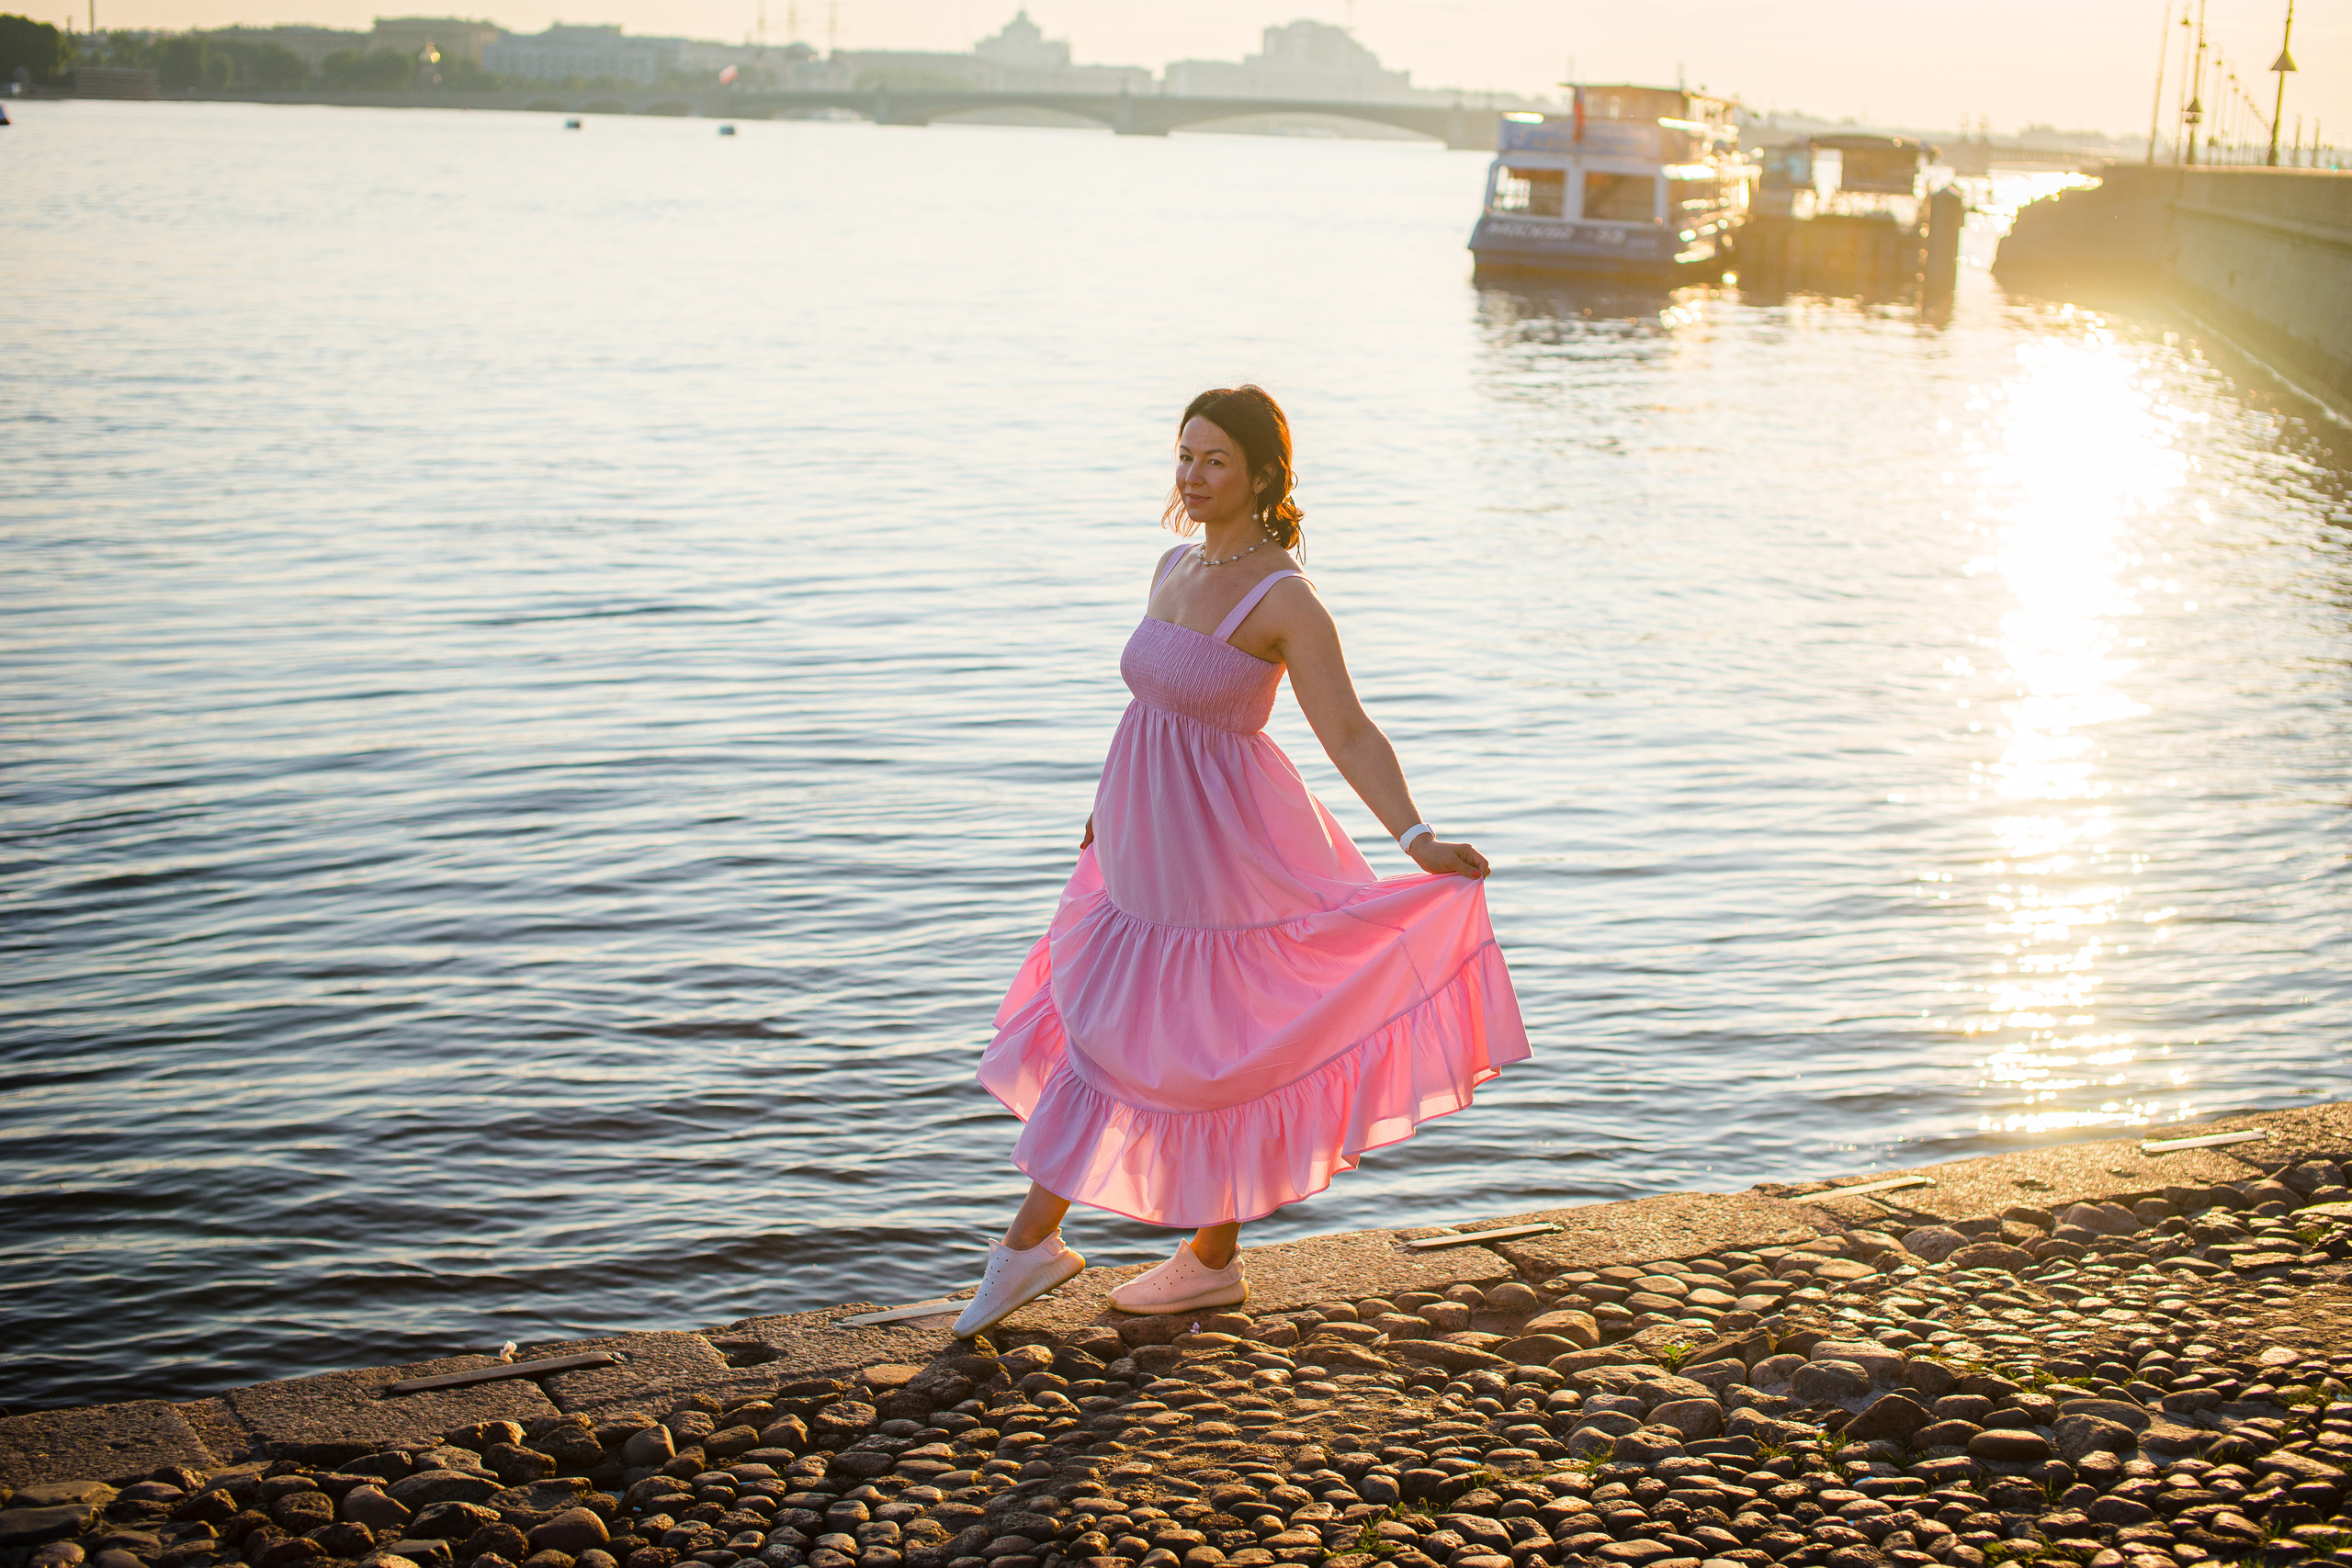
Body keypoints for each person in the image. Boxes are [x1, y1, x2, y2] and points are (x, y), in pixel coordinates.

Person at [955, 385, 1528, 1337]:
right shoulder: (1171, 564)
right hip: (1142, 843)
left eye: (1215, 459)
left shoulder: (1285, 598)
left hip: (1226, 850)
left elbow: (1345, 728)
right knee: (1142, 1029)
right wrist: (1103, 811)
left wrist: (1415, 837)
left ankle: (1036, 1247)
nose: (1193, 475)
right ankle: (1201, 1261)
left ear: (1263, 474)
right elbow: (1147, 710)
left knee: (1168, 1037)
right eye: (1184, 454)